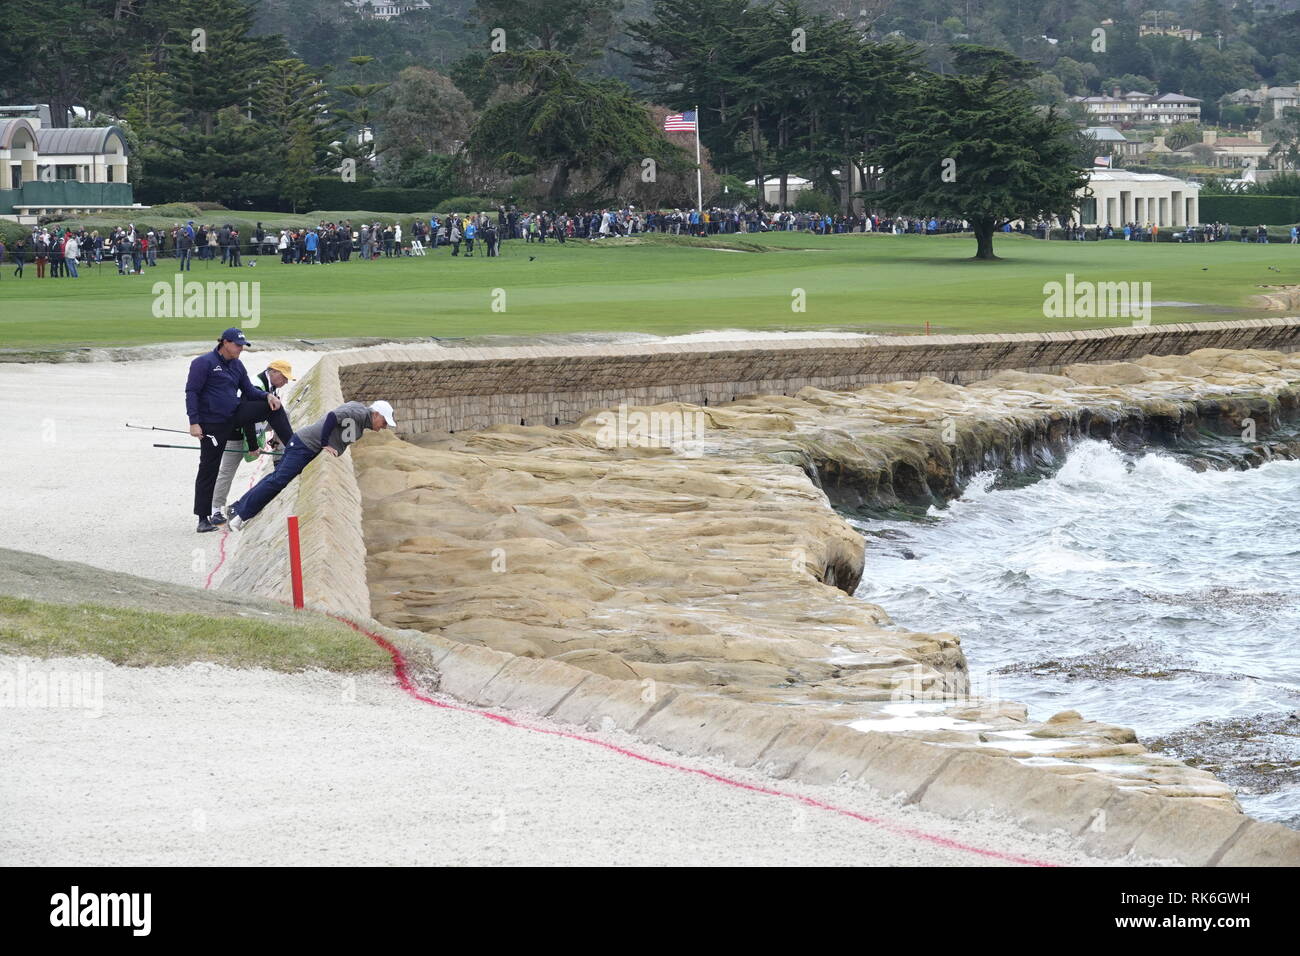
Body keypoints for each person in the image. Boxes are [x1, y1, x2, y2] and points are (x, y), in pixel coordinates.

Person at [185, 328, 295, 533]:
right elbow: (192, 392)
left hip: (234, 414)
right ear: (225, 342)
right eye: (237, 345)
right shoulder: (203, 363)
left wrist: (266, 397)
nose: (240, 349)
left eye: (242, 345)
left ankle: (295, 447)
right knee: (209, 468)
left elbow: (249, 391)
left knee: (274, 406)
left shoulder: (237, 365)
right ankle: (202, 518)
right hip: (212, 423)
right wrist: (194, 422)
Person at [228, 400, 395, 529]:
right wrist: (324, 443)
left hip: (305, 446)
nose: (384, 427)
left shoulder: (362, 416)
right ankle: (241, 515)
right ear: (376, 414)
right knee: (278, 481)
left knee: (275, 478)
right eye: (384, 422)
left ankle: (237, 508)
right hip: (304, 445)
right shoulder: (359, 412)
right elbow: (332, 417)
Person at [209, 359, 295, 525]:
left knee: (285, 413)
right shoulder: (256, 386)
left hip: (255, 427)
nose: (285, 382)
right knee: (227, 471)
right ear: (274, 372)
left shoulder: (271, 386)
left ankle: (279, 455)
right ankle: (216, 511)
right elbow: (247, 419)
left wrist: (274, 439)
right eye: (284, 377)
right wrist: (253, 446)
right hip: (237, 432)